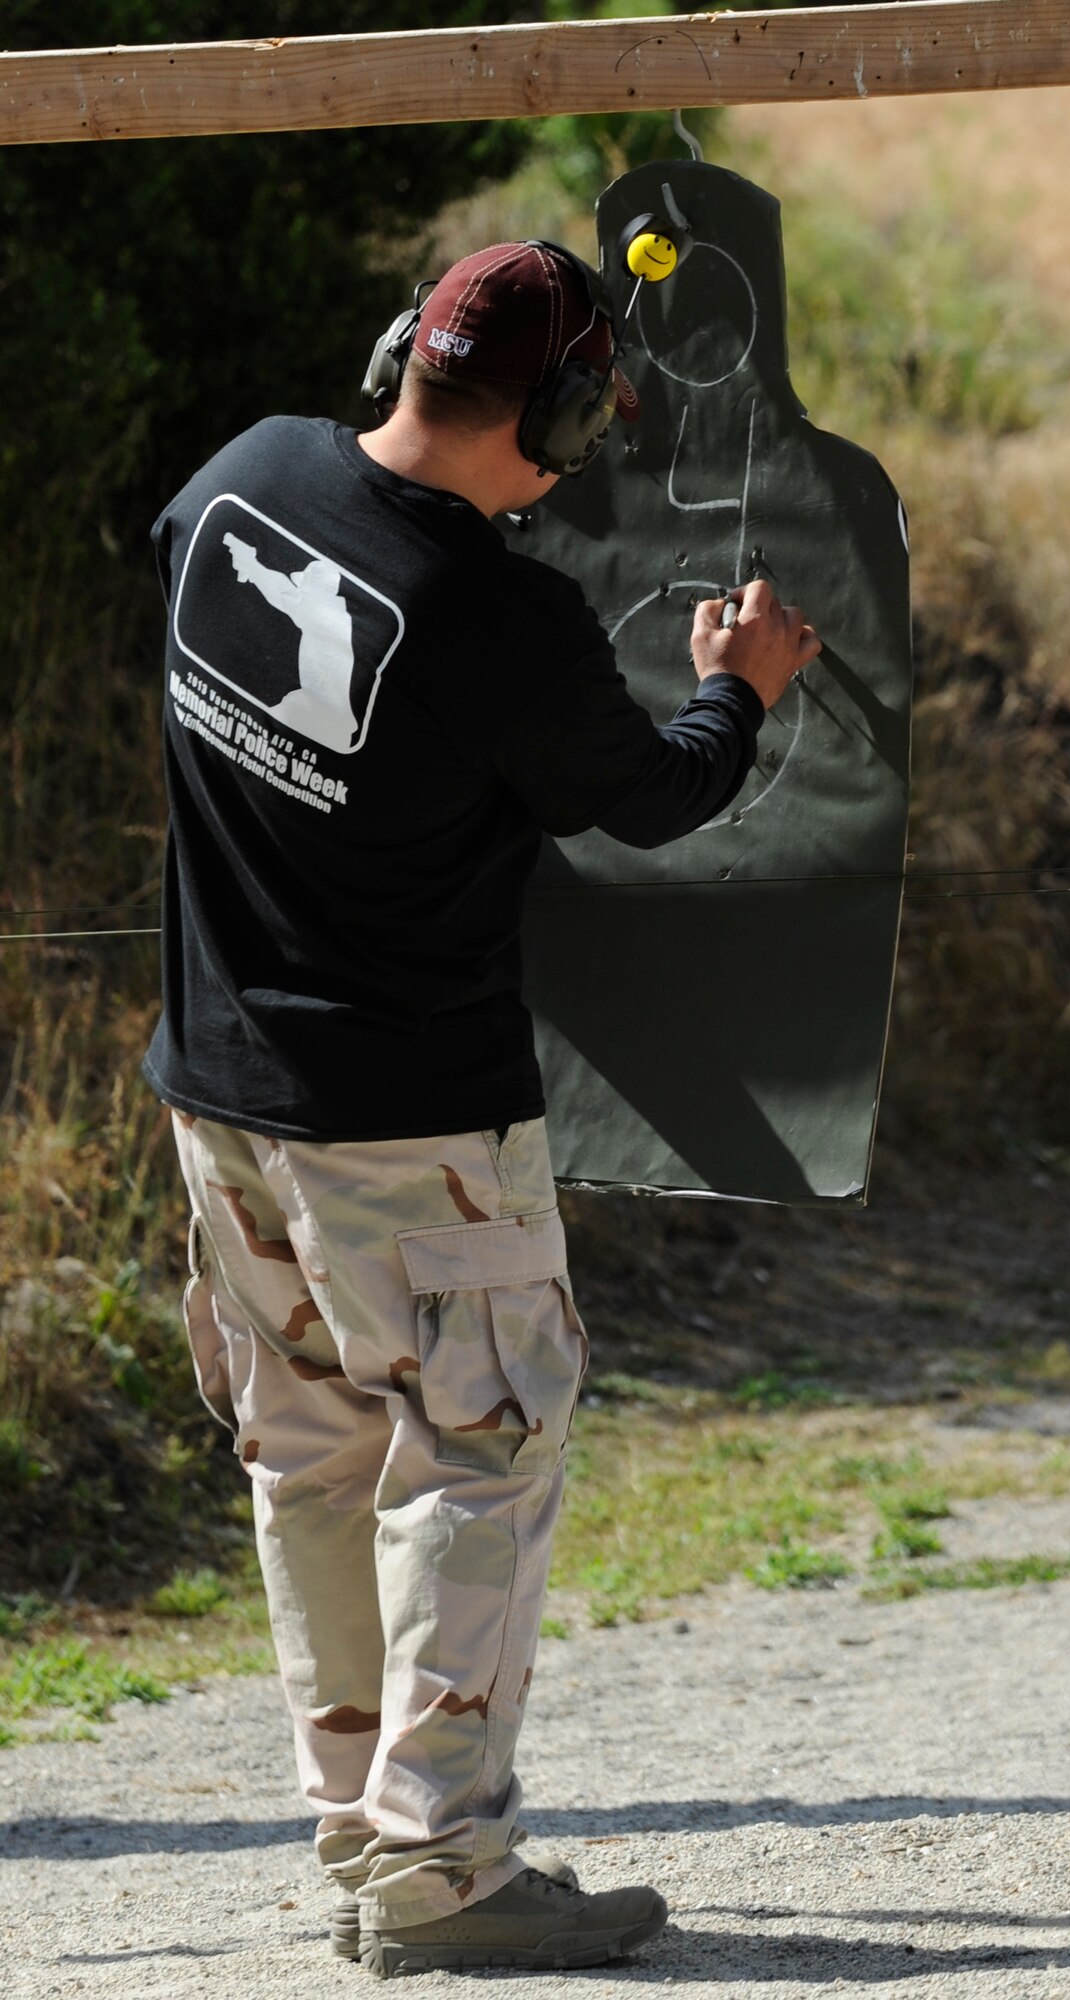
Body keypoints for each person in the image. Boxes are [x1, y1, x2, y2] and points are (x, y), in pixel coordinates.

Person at [144, 240, 820, 1980]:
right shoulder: (497, 617)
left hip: (221, 1103)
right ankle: (440, 1874)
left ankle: (362, 1827)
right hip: (410, 1132)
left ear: (399, 355)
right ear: (570, 410)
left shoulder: (241, 480)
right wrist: (740, 683)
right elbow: (658, 797)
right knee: (477, 1456)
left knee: (307, 1456)